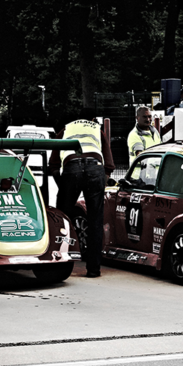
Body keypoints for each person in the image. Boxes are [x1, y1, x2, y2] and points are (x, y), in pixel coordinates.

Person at [49, 108, 115, 278]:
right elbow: (108, 164)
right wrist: (101, 182)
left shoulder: (66, 129)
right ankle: (93, 269)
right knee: (95, 221)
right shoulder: (96, 130)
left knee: (62, 219)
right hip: (95, 168)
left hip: (71, 169)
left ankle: (60, 263)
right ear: (93, 119)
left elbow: (54, 164)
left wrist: (63, 186)